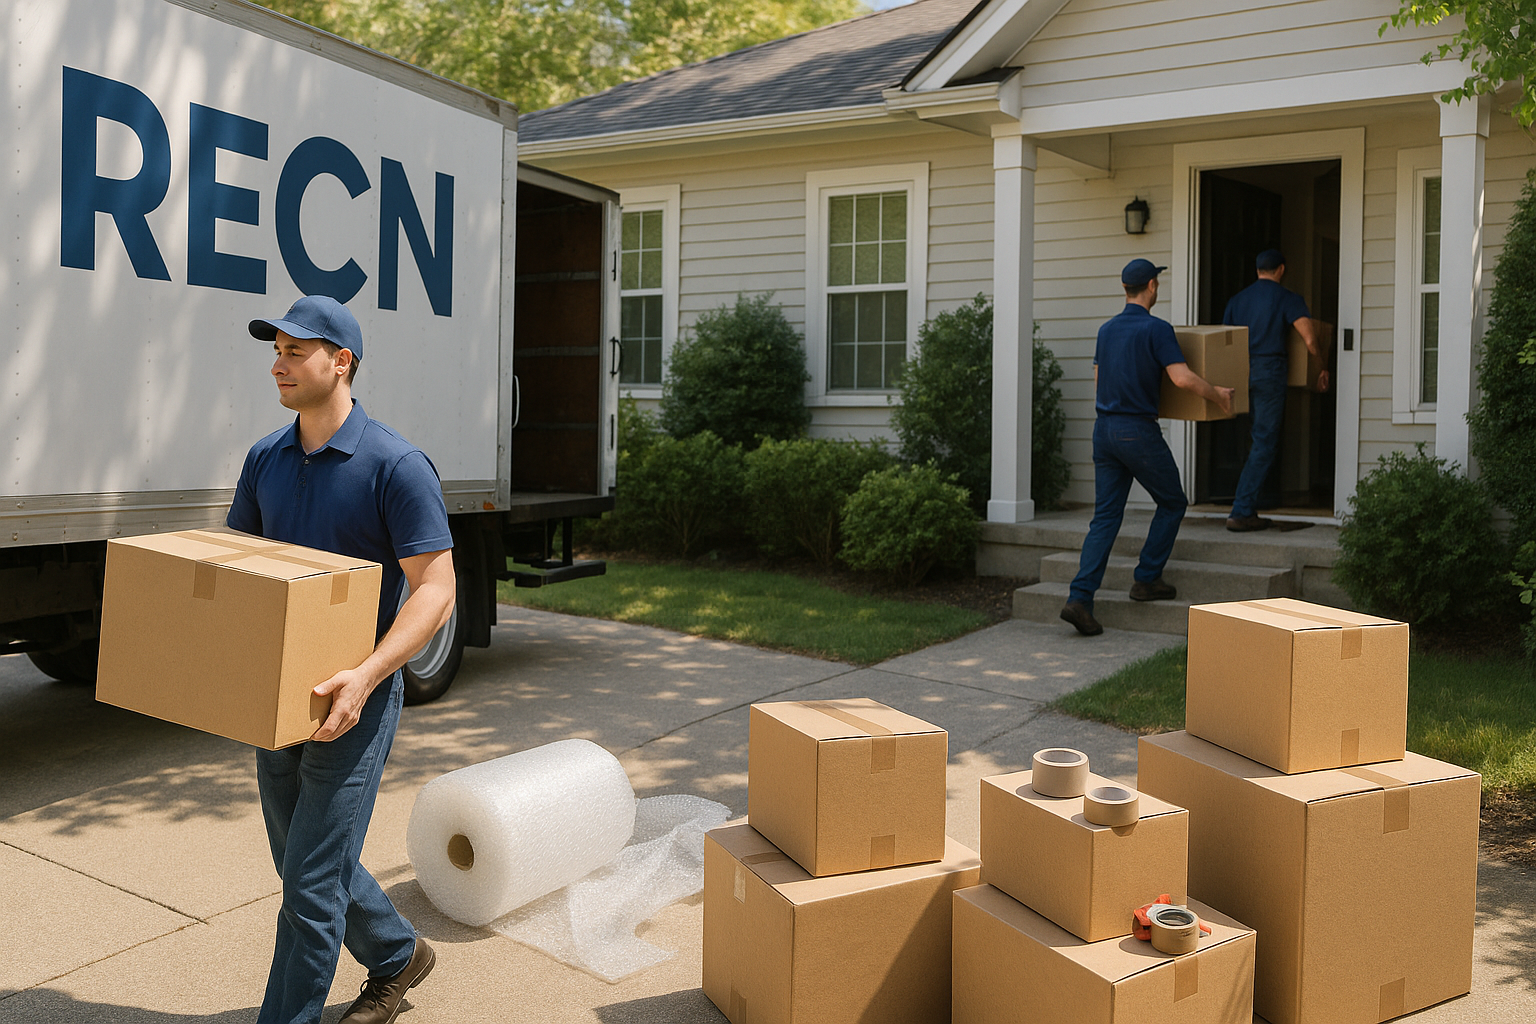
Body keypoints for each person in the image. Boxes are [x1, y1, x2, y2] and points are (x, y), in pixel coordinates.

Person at [228, 295, 456, 1024]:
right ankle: (397, 955)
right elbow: (243, 571)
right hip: (277, 694)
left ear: (342, 361)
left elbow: (435, 589)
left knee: (310, 881)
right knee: (303, 861)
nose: (279, 365)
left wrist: (368, 675)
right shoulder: (264, 458)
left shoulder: (396, 465)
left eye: (296, 352)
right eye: (276, 352)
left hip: (356, 698)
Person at [1060, 260, 1235, 637]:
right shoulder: (1157, 329)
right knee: (1172, 502)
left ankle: (1080, 598)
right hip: (1136, 431)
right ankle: (1146, 579)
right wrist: (1218, 395)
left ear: (1126, 288)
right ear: (1152, 286)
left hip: (1104, 429)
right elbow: (1181, 378)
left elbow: (1098, 380)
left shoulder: (1106, 330)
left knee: (1105, 517)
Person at [1221, 249, 1328, 532]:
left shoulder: (1237, 300)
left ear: (1258, 270)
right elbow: (1309, 338)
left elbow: (1225, 341)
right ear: (1281, 269)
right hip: (1269, 372)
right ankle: (1242, 511)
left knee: (1251, 439)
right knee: (1264, 442)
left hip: (1240, 371)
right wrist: (1321, 367)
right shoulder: (1288, 298)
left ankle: (1247, 506)